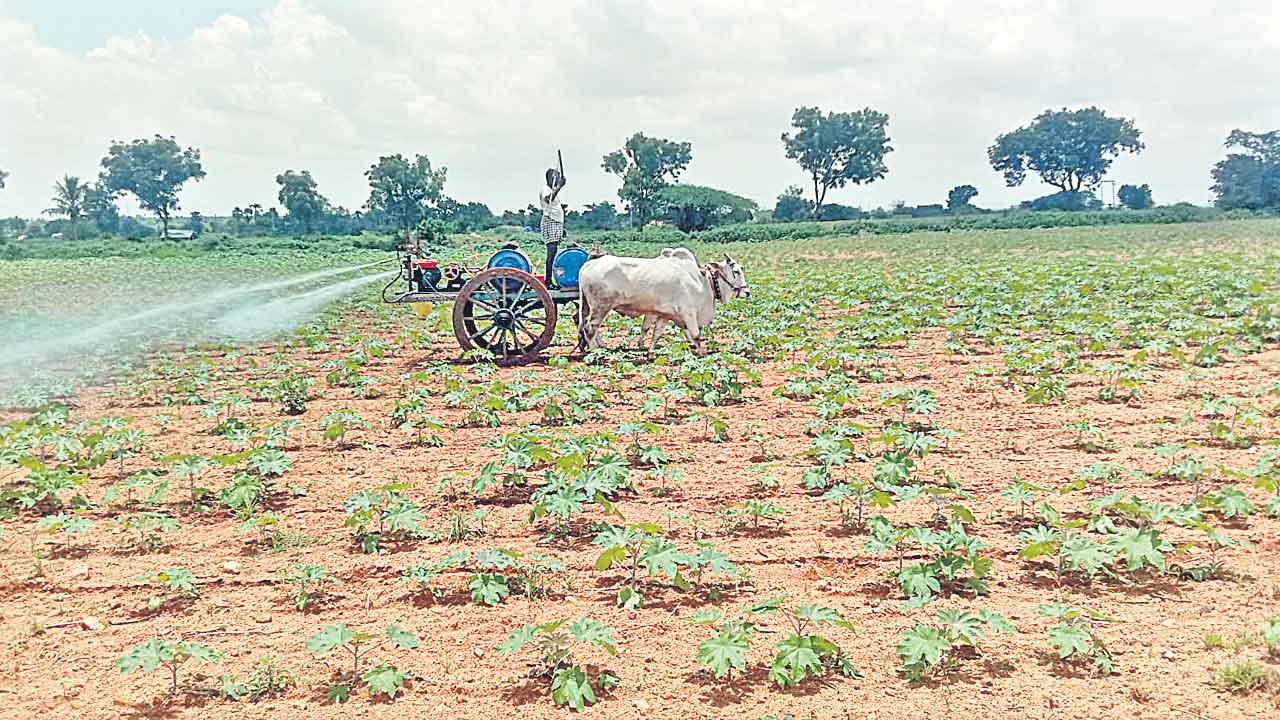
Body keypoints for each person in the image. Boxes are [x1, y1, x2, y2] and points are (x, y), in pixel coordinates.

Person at [539, 168, 566, 287]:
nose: (557, 179)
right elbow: (547, 199)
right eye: (556, 177)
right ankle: (548, 281)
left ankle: (550, 280)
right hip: (550, 222)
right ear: (550, 178)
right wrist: (559, 187)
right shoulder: (545, 189)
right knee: (552, 251)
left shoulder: (550, 189)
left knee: (553, 252)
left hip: (555, 222)